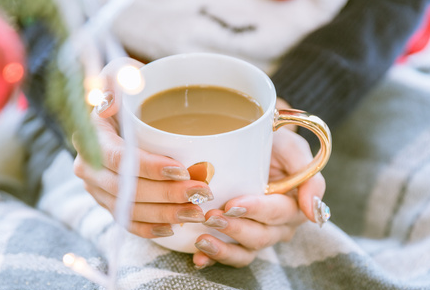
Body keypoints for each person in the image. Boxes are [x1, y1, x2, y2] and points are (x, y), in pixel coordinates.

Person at [3, 0, 430, 271]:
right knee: (143, 262)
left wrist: (284, 109)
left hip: (306, 83)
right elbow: (34, 15)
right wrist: (83, 108)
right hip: (95, 97)